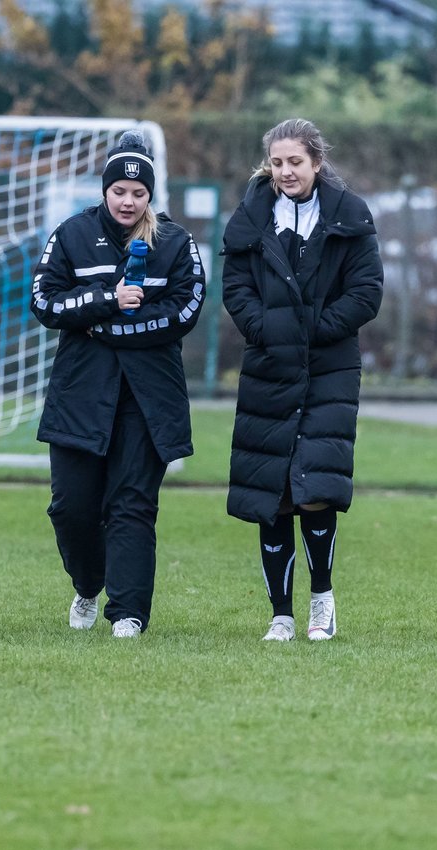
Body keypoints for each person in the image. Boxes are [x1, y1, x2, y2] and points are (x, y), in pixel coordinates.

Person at [31, 130, 204, 638]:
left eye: (139, 193)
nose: (128, 201)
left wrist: (105, 329)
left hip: (149, 399)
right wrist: (107, 300)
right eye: (119, 191)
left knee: (132, 504)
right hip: (81, 395)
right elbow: (44, 303)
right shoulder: (71, 234)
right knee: (72, 508)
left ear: (151, 196)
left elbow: (185, 311)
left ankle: (129, 613)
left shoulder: (174, 242)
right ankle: (88, 585)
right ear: (105, 191)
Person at [221, 118, 383, 642]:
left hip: (329, 369)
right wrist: (267, 329)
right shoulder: (249, 218)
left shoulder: (351, 216)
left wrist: (311, 330)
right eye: (277, 162)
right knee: (273, 492)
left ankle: (322, 601)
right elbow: (236, 287)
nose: (286, 171)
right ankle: (280, 615)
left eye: (296, 161)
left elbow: (366, 293)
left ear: (316, 161)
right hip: (268, 366)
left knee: (315, 487)